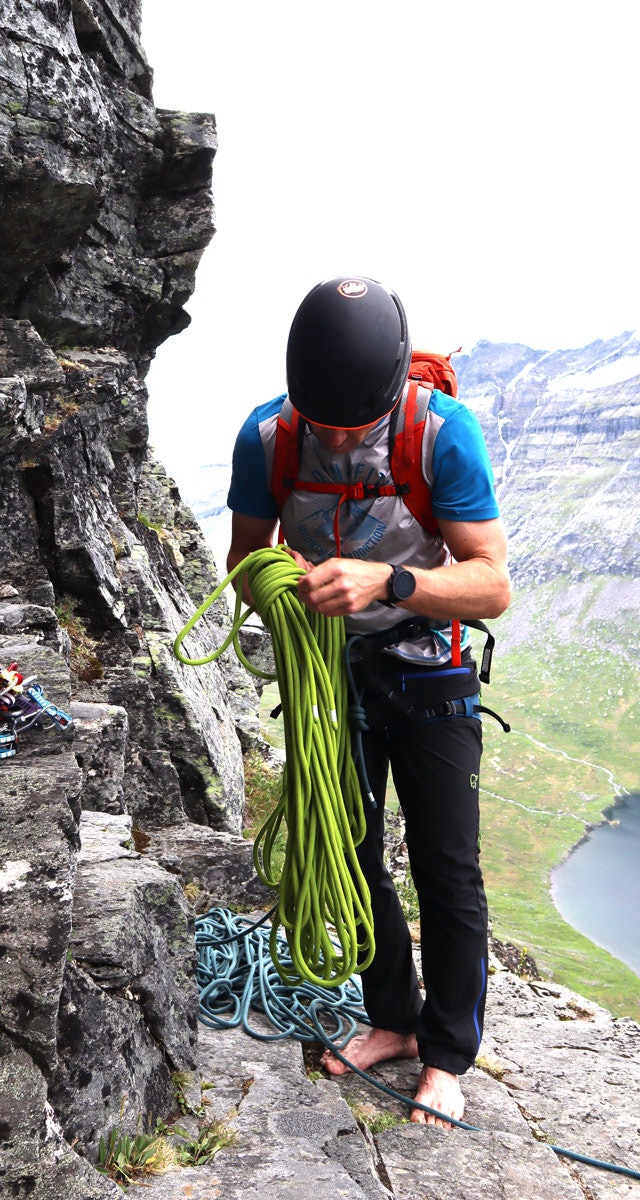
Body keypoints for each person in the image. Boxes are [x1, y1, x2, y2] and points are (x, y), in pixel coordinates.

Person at [226, 275, 511, 1128]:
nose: (342, 439)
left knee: (446, 867)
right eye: (327, 425)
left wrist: (390, 580)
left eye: (358, 425)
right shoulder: (269, 436)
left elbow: (492, 584)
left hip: (430, 675)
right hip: (333, 682)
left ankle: (449, 1053)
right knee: (349, 850)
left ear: (393, 392)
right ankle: (391, 1017)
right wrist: (283, 586)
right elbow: (246, 564)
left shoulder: (440, 435)